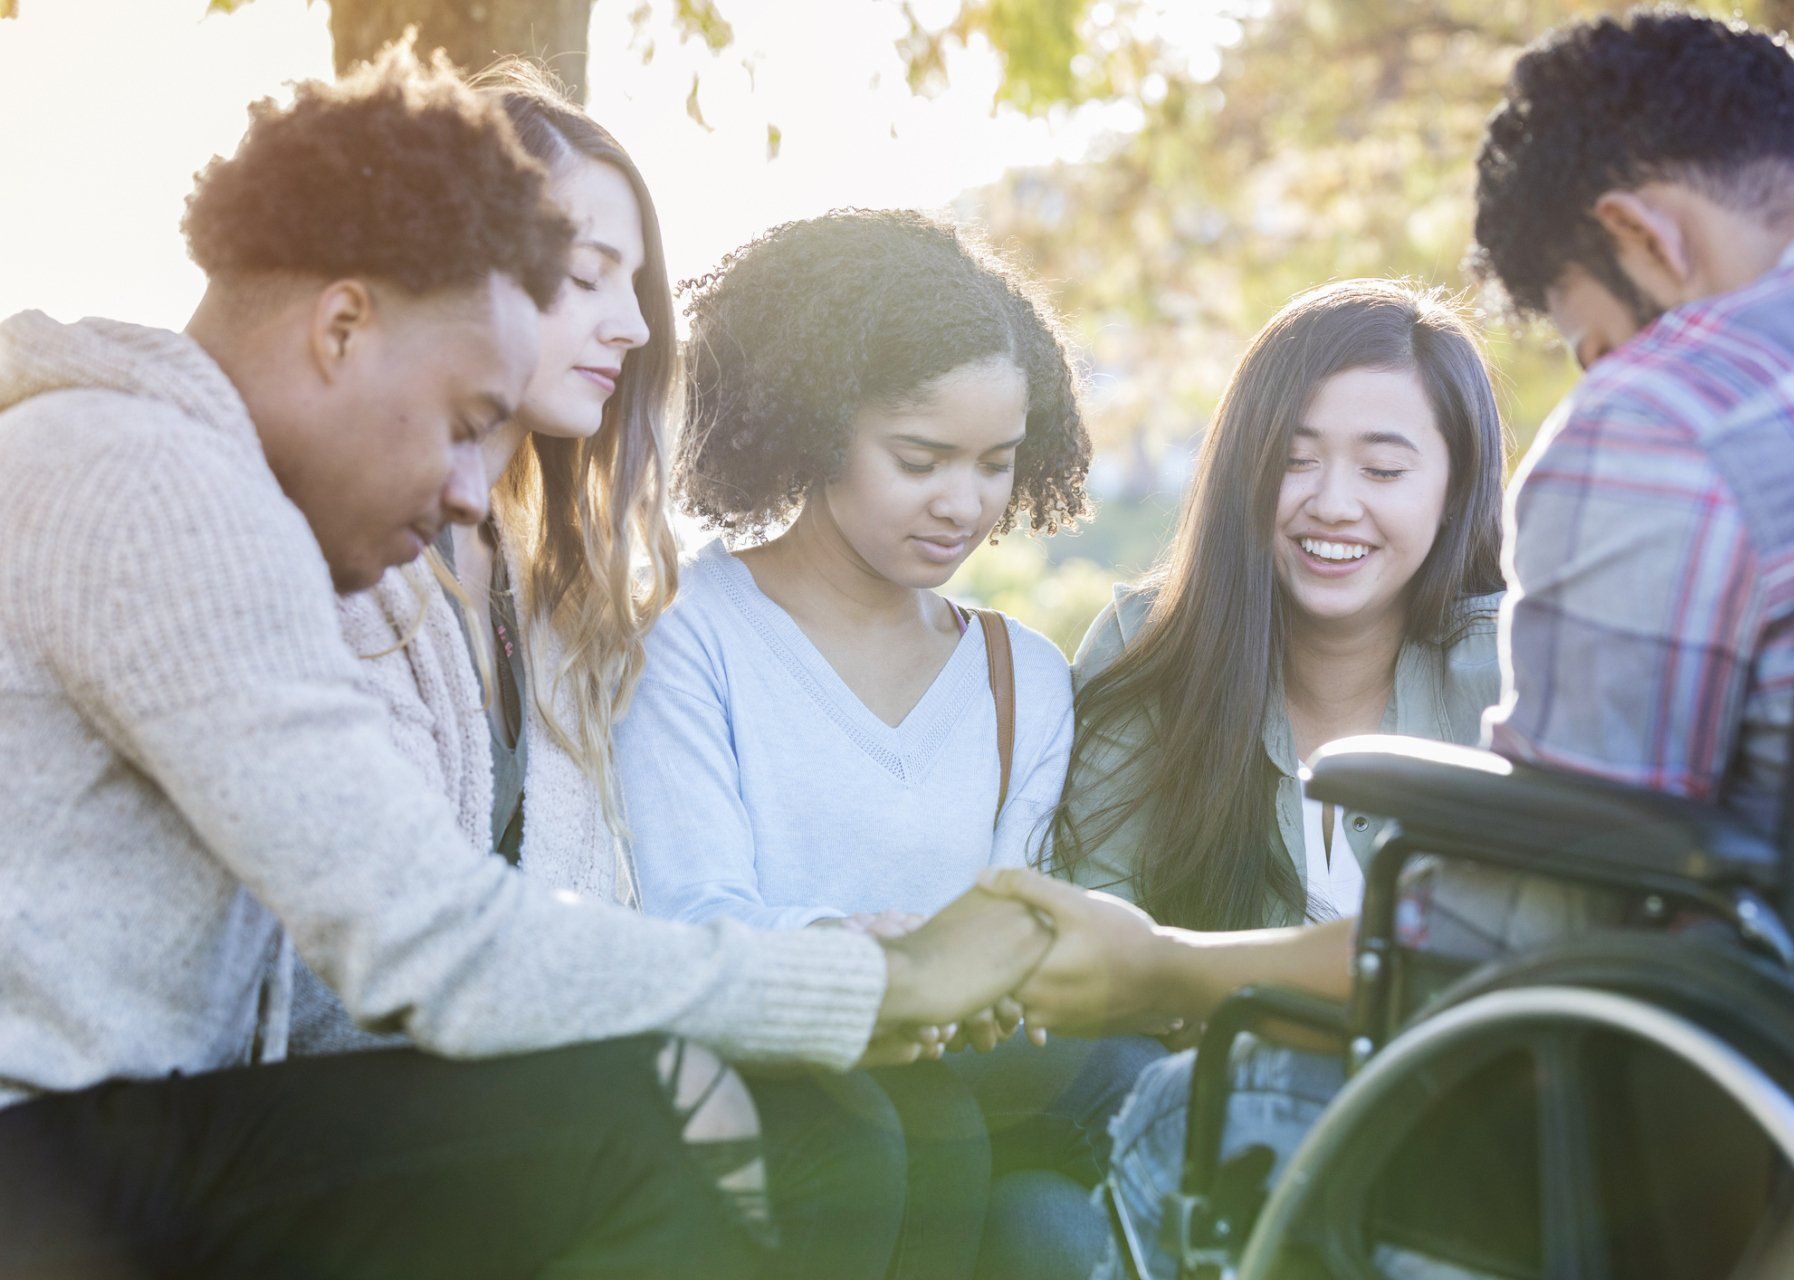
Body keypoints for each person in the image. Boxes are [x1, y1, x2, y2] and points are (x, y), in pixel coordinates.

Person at [0, 48, 1050, 1279]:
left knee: (769, 1124)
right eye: (461, 425)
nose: (464, 484)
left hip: (143, 1135)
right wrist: (883, 979)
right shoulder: (146, 481)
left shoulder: (205, 480)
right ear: (343, 325)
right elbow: (428, 944)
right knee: (634, 1128)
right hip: (51, 1162)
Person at [987, 12, 1794, 1279]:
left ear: (1649, 238)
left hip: (1726, 1128)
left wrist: (1163, 966)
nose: (1606, 369)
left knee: (1168, 1119)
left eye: (1594, 336)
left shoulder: (1670, 412)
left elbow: (1504, 948)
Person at [282, 68, 944, 1277]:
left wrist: (825, 948)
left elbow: (607, 911)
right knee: (688, 1124)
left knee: (836, 1122)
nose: (633, 323)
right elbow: (382, 951)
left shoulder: (557, 593)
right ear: (453, 268)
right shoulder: (340, 552)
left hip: (501, 1069)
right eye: (587, 277)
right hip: (333, 1094)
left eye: (633, 286)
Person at [613, 208, 1151, 1279]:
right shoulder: (687, 637)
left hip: (970, 1076)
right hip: (782, 1080)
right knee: (905, 1124)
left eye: (997, 463)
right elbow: (694, 911)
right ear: (813, 426)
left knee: (1099, 1131)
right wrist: (885, 962)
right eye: (920, 457)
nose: (964, 502)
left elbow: (1011, 934)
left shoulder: (1022, 677)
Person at [1052, 278, 1505, 940]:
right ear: (1246, 469)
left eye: (1382, 470)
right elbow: (1093, 945)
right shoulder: (1147, 645)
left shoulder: (1508, 674)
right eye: (1295, 459)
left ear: (1455, 489)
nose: (1332, 503)